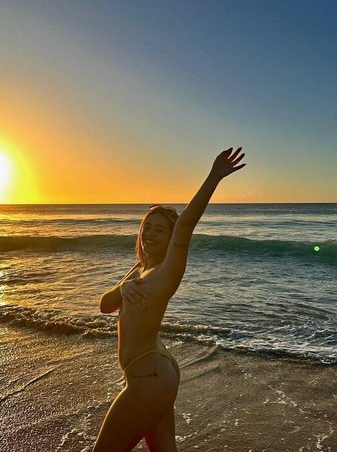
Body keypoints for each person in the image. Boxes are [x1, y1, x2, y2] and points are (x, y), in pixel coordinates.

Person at [93, 147, 246, 451]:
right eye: (147, 227)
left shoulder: (166, 272)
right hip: (154, 372)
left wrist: (214, 176)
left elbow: (186, 223)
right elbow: (105, 305)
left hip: (148, 377)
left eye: (160, 231)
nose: (150, 234)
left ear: (170, 238)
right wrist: (122, 289)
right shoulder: (139, 269)